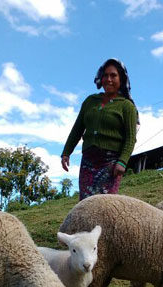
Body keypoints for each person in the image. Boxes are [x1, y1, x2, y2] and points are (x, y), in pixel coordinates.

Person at [61, 58, 138, 200]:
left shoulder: (127, 106)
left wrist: (122, 161)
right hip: (88, 162)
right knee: (86, 203)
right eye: (105, 75)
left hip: (111, 163)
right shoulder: (90, 101)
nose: (108, 79)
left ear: (121, 79)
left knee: (105, 205)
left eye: (113, 75)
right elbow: (77, 129)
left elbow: (130, 138)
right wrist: (66, 152)